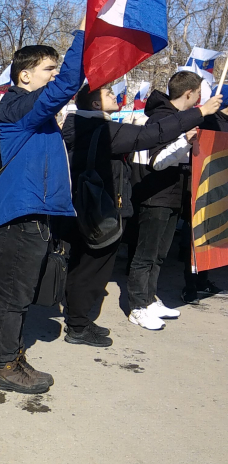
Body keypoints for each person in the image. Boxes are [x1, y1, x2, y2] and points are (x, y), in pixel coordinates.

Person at [61, 83, 221, 344]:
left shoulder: (87, 126)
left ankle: (79, 319)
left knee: (86, 265)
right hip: (99, 213)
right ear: (95, 105)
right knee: (92, 270)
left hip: (91, 208)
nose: (116, 95)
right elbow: (151, 135)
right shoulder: (99, 130)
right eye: (109, 93)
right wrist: (200, 112)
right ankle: (78, 326)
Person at [0, 17, 86, 394]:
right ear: (24, 77)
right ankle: (4, 366)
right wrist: (83, 34)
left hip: (31, 217)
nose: (55, 74)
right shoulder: (17, 107)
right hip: (17, 219)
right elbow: (67, 85)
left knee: (20, 295)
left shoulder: (33, 116)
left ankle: (12, 355)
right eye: (48, 69)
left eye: (56, 67)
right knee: (13, 296)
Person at [127, 71, 206, 329]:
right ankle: (137, 306)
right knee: (146, 254)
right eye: (199, 92)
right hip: (156, 195)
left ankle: (149, 299)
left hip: (173, 195)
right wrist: (185, 140)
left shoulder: (178, 118)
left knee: (159, 253)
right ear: (189, 94)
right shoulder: (162, 119)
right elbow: (158, 161)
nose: (200, 97)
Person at [180, 84, 228, 305]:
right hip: (202, 187)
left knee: (215, 236)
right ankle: (189, 285)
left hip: (222, 189)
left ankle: (204, 281)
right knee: (196, 236)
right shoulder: (209, 120)